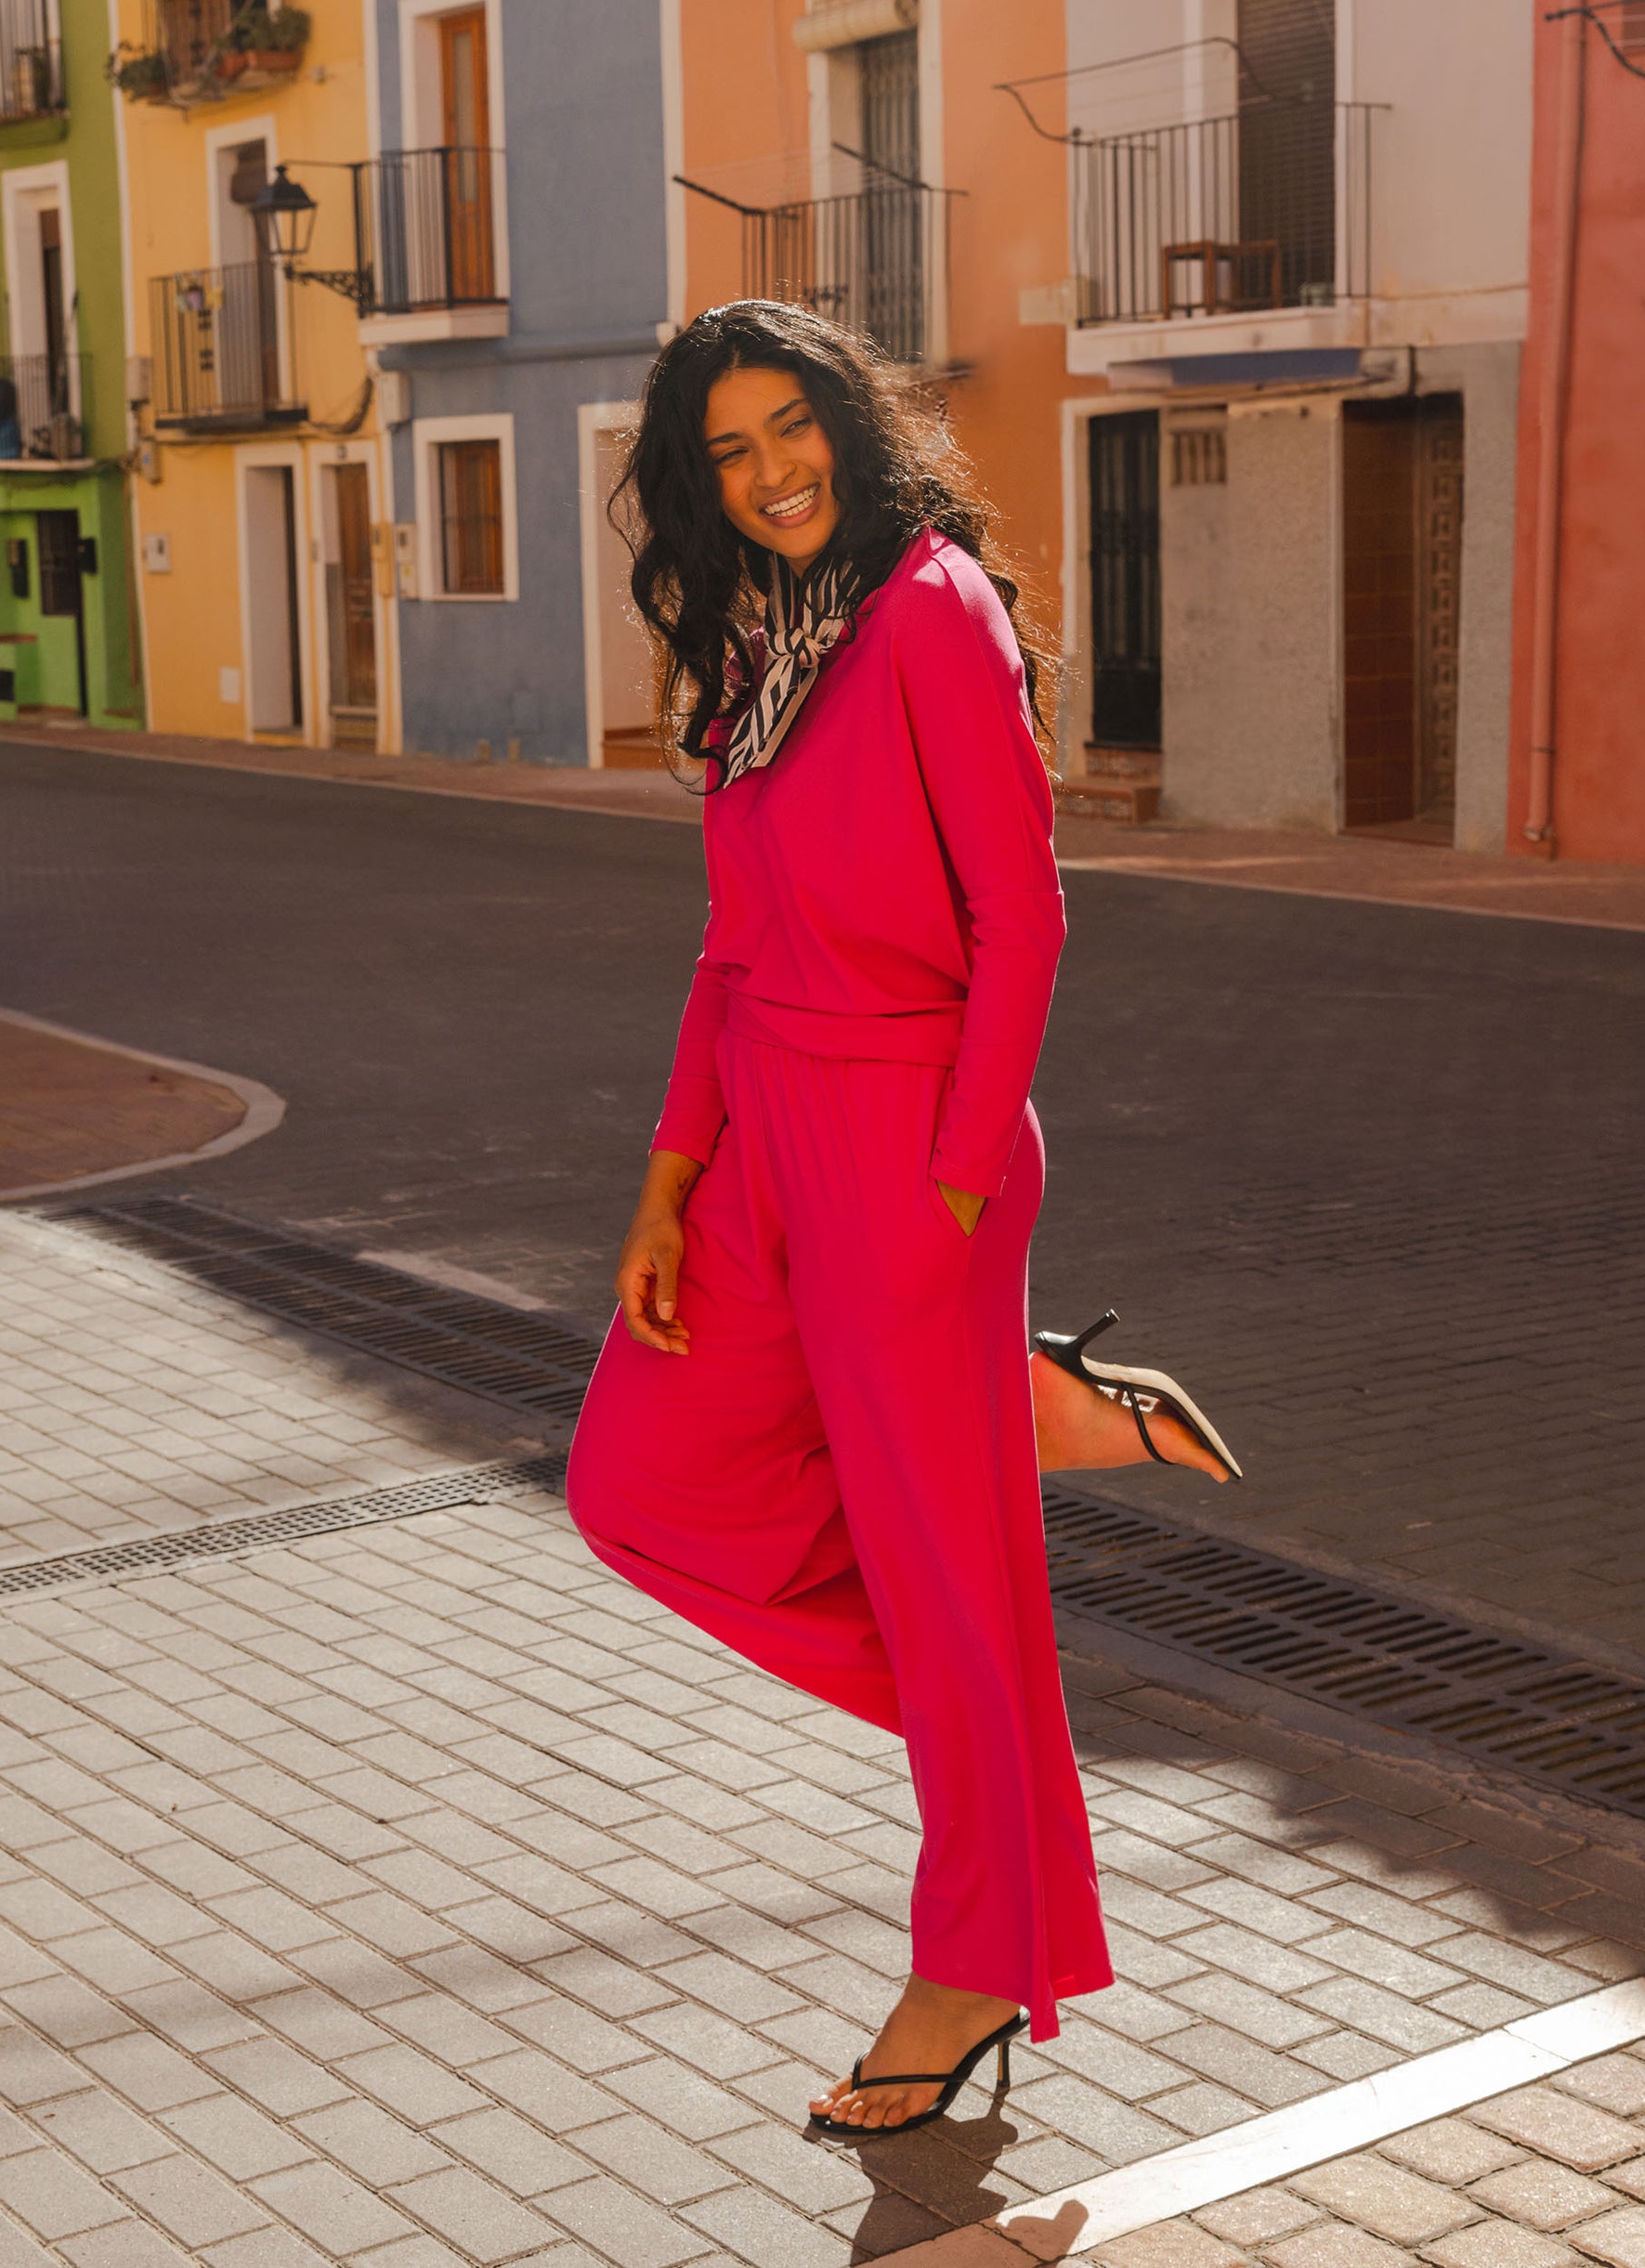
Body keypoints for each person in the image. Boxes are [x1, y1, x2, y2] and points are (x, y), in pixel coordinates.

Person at [566, 301, 1232, 2139]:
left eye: (793, 427)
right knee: (638, 1488)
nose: (772, 470)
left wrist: (950, 1180)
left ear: (847, 427)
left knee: (949, 1593)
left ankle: (970, 1964)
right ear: (697, 483)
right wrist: (668, 1181)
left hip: (905, 1143)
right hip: (764, 1138)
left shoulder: (932, 608)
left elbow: (1024, 914)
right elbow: (727, 945)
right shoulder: (755, 642)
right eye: (730, 450)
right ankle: (1017, 1471)